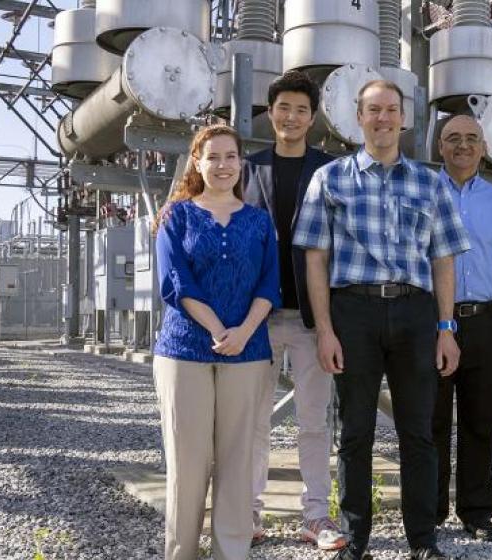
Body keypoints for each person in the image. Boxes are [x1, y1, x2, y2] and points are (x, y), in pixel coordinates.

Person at [293, 79, 470, 560]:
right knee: (355, 433)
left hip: (416, 312)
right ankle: (356, 540)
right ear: (360, 118)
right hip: (354, 313)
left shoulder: (429, 182)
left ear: (404, 119)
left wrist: (446, 328)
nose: (384, 118)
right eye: (374, 110)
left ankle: (423, 540)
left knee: (419, 431)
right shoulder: (330, 179)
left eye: (392, 110)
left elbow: (445, 260)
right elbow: (315, 260)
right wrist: (326, 329)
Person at [152, 124, 281, 560]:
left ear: (240, 162)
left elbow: (270, 285)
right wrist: (215, 329)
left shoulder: (260, 222)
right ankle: (181, 552)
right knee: (187, 464)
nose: (223, 165)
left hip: (248, 350)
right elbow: (175, 282)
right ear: (197, 162)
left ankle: (232, 552)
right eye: (213, 157)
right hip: (183, 349)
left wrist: (243, 332)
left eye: (231, 156)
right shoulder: (177, 216)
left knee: (236, 459)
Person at [241, 70, 343, 550]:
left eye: (302, 109)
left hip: (309, 318)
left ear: (312, 117)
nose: (292, 117)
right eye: (284, 107)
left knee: (313, 421)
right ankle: (249, 514)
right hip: (256, 319)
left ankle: (316, 517)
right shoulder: (246, 168)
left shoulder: (330, 170)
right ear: (271, 112)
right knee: (253, 421)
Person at [430, 115, 492, 541]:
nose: (462, 146)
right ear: (439, 147)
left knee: (482, 419)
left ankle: (477, 510)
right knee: (432, 419)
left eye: (471, 139)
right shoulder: (422, 194)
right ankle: (430, 507)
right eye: (452, 139)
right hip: (433, 324)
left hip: (487, 320)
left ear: (483, 147)